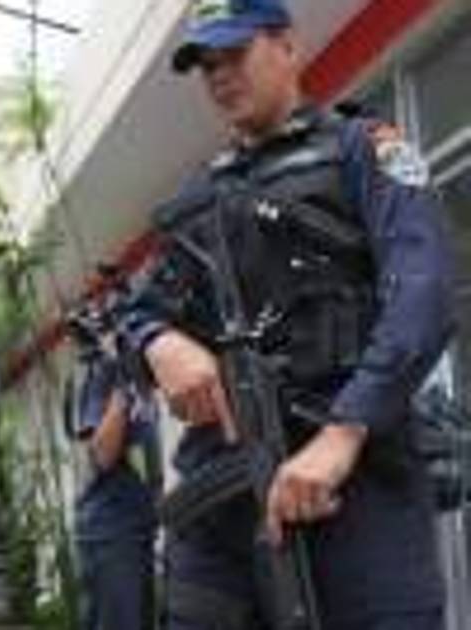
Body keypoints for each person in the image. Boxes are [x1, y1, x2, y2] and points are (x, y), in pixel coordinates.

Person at [120, 1, 455, 628]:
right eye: (206, 65)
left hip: (358, 487)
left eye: (235, 53)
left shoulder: (363, 151)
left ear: (288, 47)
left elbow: (425, 293)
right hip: (227, 497)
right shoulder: (196, 199)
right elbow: (134, 313)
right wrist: (157, 340)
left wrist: (344, 432)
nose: (220, 75)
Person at [67, 301, 157, 630]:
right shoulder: (98, 371)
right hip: (111, 528)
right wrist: (123, 388)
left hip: (133, 521)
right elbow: (102, 453)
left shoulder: (132, 369)